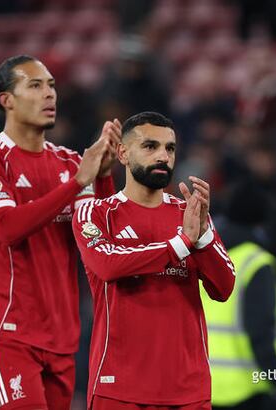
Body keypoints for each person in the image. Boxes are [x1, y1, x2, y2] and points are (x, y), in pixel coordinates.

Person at [0, 55, 121, 410]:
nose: (49, 94)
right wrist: (77, 183)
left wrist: (104, 177)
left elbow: (100, 240)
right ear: (7, 100)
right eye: (35, 86)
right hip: (6, 333)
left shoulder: (70, 163)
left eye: (51, 86)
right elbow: (6, 228)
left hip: (61, 339)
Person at [72, 111, 236, 409]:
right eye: (150, 146)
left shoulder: (190, 214)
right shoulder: (95, 213)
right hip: (120, 389)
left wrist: (202, 239)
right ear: (123, 153)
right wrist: (181, 244)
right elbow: (108, 266)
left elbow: (223, 288)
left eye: (170, 148)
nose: (163, 156)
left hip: (188, 391)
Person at [200, 180, 276, 410]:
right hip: (246, 391)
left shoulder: (204, 255)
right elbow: (260, 334)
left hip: (200, 388)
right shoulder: (256, 263)